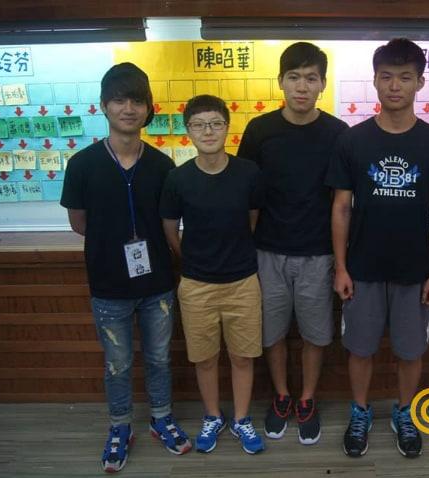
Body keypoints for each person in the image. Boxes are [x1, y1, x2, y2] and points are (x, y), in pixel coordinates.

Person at [326, 38, 429, 458]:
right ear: (375, 81)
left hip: (414, 271)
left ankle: (405, 413)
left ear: (420, 82)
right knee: (359, 349)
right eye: (386, 77)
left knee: (410, 351)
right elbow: (341, 207)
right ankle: (360, 412)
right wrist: (341, 267)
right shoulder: (353, 141)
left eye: (405, 77)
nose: (395, 85)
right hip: (362, 269)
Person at [60, 62, 191, 473]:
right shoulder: (82, 164)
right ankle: (119, 426)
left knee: (159, 358)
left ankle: (161, 418)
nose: (128, 108)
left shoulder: (163, 166)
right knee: (117, 364)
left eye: (137, 100)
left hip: (158, 284)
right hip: (108, 285)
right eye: (119, 100)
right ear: (103, 105)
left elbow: (171, 224)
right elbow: (79, 223)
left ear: (149, 108)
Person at [237, 41, 348, 445]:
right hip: (267, 252)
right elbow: (247, 197)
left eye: (311, 78)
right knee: (272, 333)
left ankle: (307, 399)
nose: (302, 86)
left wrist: (341, 261)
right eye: (295, 77)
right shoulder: (259, 130)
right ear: (281, 81)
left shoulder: (338, 134)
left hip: (318, 254)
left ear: (323, 84)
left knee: (316, 334)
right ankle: (282, 395)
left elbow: (343, 202)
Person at [160, 94, 266, 455]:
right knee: (204, 358)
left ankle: (242, 419)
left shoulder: (248, 173)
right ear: (189, 131)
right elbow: (170, 228)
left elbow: (252, 219)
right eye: (199, 125)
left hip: (243, 281)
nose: (208, 131)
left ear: (227, 127)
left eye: (216, 123)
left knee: (242, 357)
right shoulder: (177, 178)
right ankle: (212, 416)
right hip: (196, 284)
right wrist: (191, 258)